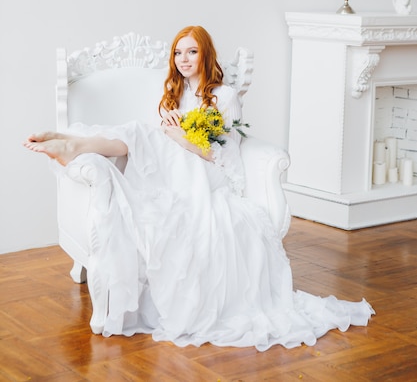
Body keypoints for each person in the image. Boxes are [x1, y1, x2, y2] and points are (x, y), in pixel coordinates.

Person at [24, 25, 374, 350]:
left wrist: (182, 139)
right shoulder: (177, 91)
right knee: (142, 131)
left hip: (208, 175)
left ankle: (74, 143)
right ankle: (72, 141)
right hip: (173, 163)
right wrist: (170, 125)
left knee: (143, 134)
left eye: (191, 52)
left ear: (206, 54)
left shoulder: (225, 96)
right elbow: (167, 133)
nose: (183, 60)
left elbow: (225, 157)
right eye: (178, 53)